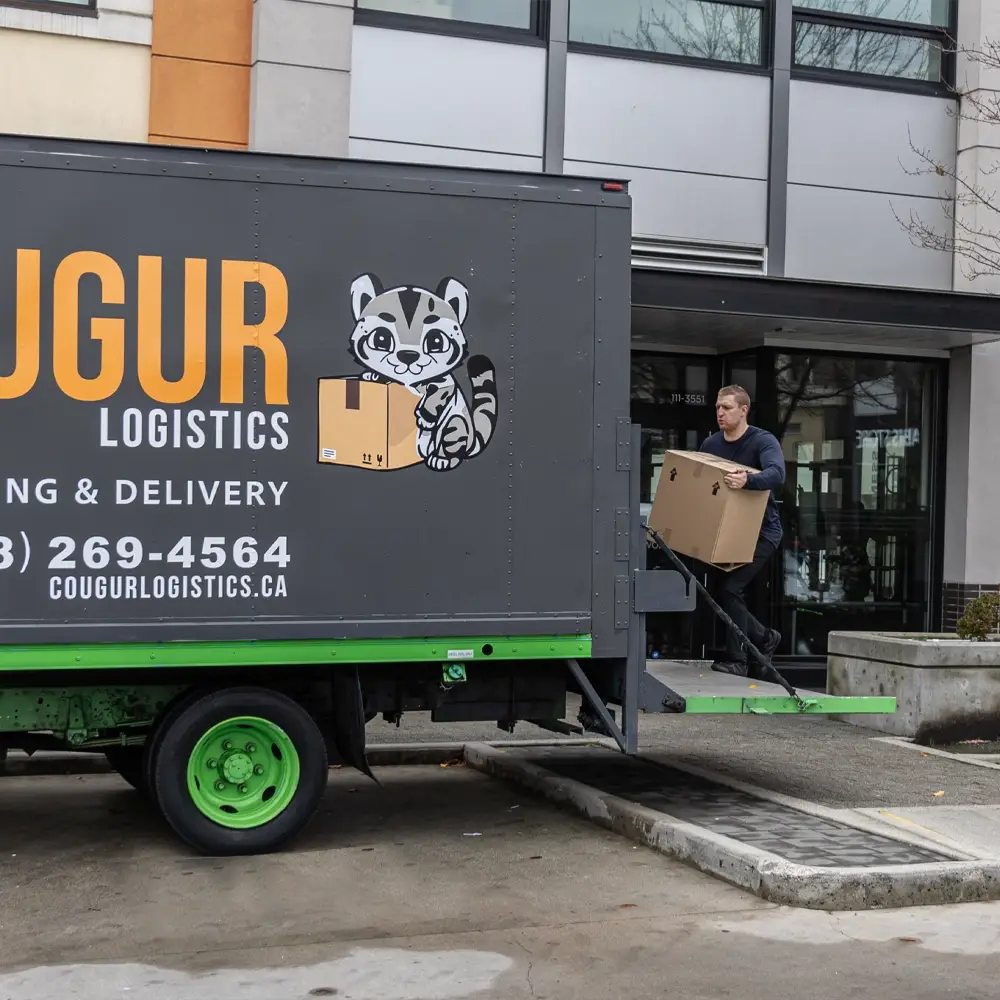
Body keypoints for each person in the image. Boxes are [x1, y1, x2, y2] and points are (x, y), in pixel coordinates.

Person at [699, 385, 786, 677]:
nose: (720, 413)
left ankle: (738, 660)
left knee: (731, 588)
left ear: (743, 410)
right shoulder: (711, 445)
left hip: (763, 532)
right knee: (720, 591)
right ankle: (763, 638)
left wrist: (747, 480)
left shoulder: (763, 441)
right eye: (718, 408)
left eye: (726, 407)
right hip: (727, 531)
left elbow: (777, 474)